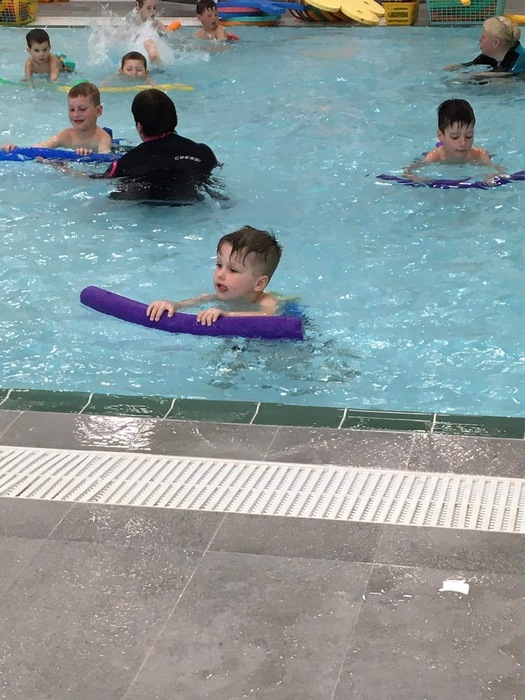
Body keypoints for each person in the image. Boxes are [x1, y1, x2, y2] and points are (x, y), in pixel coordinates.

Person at [93, 88, 219, 202]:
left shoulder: (125, 164)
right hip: (193, 204)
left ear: (139, 126)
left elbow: (104, 181)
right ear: (176, 119)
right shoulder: (203, 153)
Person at [147, 226, 283, 326]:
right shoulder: (218, 297)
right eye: (219, 265)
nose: (220, 274)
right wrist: (173, 304)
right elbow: (189, 303)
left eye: (233, 270)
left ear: (259, 284)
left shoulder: (267, 302)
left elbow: (268, 317)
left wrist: (228, 315)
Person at [404, 99, 506, 183]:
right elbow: (408, 170)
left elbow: (499, 170)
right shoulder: (435, 156)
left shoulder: (478, 155)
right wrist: (415, 178)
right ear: (440, 135)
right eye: (455, 137)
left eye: (469, 136)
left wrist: (493, 176)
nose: (463, 143)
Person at [2, 82, 112, 155]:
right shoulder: (66, 136)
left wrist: (88, 156)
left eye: (82, 109)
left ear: (98, 111)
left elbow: (105, 160)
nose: (76, 114)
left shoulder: (102, 138)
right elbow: (38, 148)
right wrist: (16, 149)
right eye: (71, 109)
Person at [443, 16, 525, 77]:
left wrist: (478, 75)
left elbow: (509, 76)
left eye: (483, 37)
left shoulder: (519, 59)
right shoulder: (494, 54)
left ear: (496, 43)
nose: (480, 40)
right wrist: (455, 67)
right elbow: (471, 64)